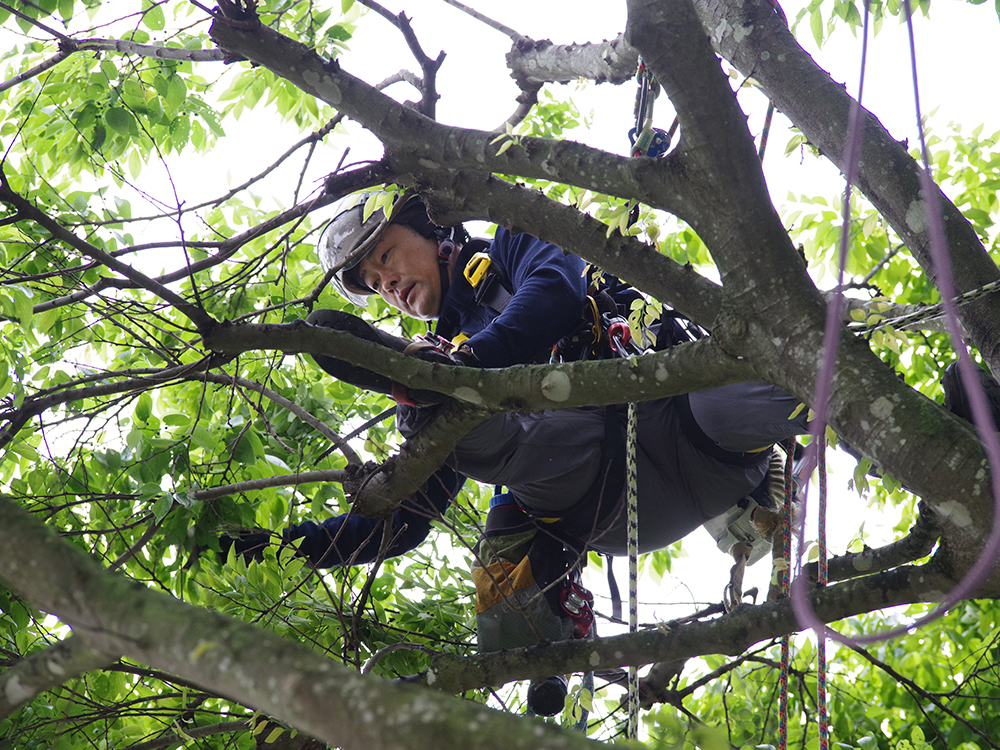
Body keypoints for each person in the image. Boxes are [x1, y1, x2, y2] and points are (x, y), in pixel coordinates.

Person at [273, 192, 813, 567]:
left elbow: (557, 291)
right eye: (373, 282)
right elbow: (406, 522)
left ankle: (865, 408)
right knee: (465, 428)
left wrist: (469, 367)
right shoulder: (447, 355)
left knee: (768, 371)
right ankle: (418, 387)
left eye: (386, 257)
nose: (387, 284)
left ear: (432, 230)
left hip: (681, 415)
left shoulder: (510, 245)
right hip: (600, 490)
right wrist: (281, 547)